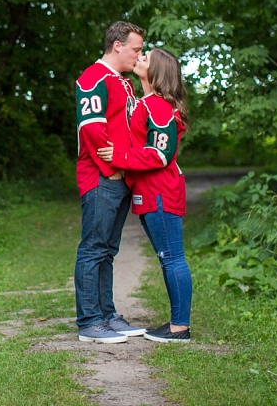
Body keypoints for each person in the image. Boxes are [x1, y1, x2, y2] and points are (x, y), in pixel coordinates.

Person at [98, 47, 192, 343]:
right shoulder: (147, 102)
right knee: (167, 258)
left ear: (157, 72)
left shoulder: (158, 106)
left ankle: (180, 328)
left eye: (145, 58)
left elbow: (159, 154)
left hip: (161, 191)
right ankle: (178, 325)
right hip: (151, 192)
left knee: (172, 258)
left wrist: (119, 156)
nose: (139, 59)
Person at [74, 21, 148, 344]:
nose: (139, 55)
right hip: (101, 177)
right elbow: (92, 129)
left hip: (121, 177)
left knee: (108, 250)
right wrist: (113, 166)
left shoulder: (125, 84)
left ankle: (106, 315)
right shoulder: (93, 78)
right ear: (117, 45)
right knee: (93, 248)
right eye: (136, 49)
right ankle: (89, 322)